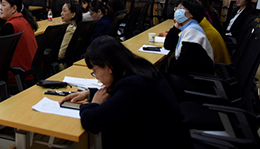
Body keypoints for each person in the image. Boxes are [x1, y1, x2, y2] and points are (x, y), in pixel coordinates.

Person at [59, 36, 192, 149]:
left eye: (95, 70)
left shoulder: (133, 86)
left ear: (109, 66)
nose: (97, 77)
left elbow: (91, 121)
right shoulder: (139, 68)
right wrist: (89, 93)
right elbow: (120, 99)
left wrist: (92, 104)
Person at [164, 0, 215, 97]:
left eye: (181, 9)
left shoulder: (192, 31)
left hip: (197, 81)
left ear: (191, 14)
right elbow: (168, 45)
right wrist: (176, 26)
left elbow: (182, 63)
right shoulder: (188, 28)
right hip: (191, 75)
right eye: (177, 8)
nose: (177, 11)